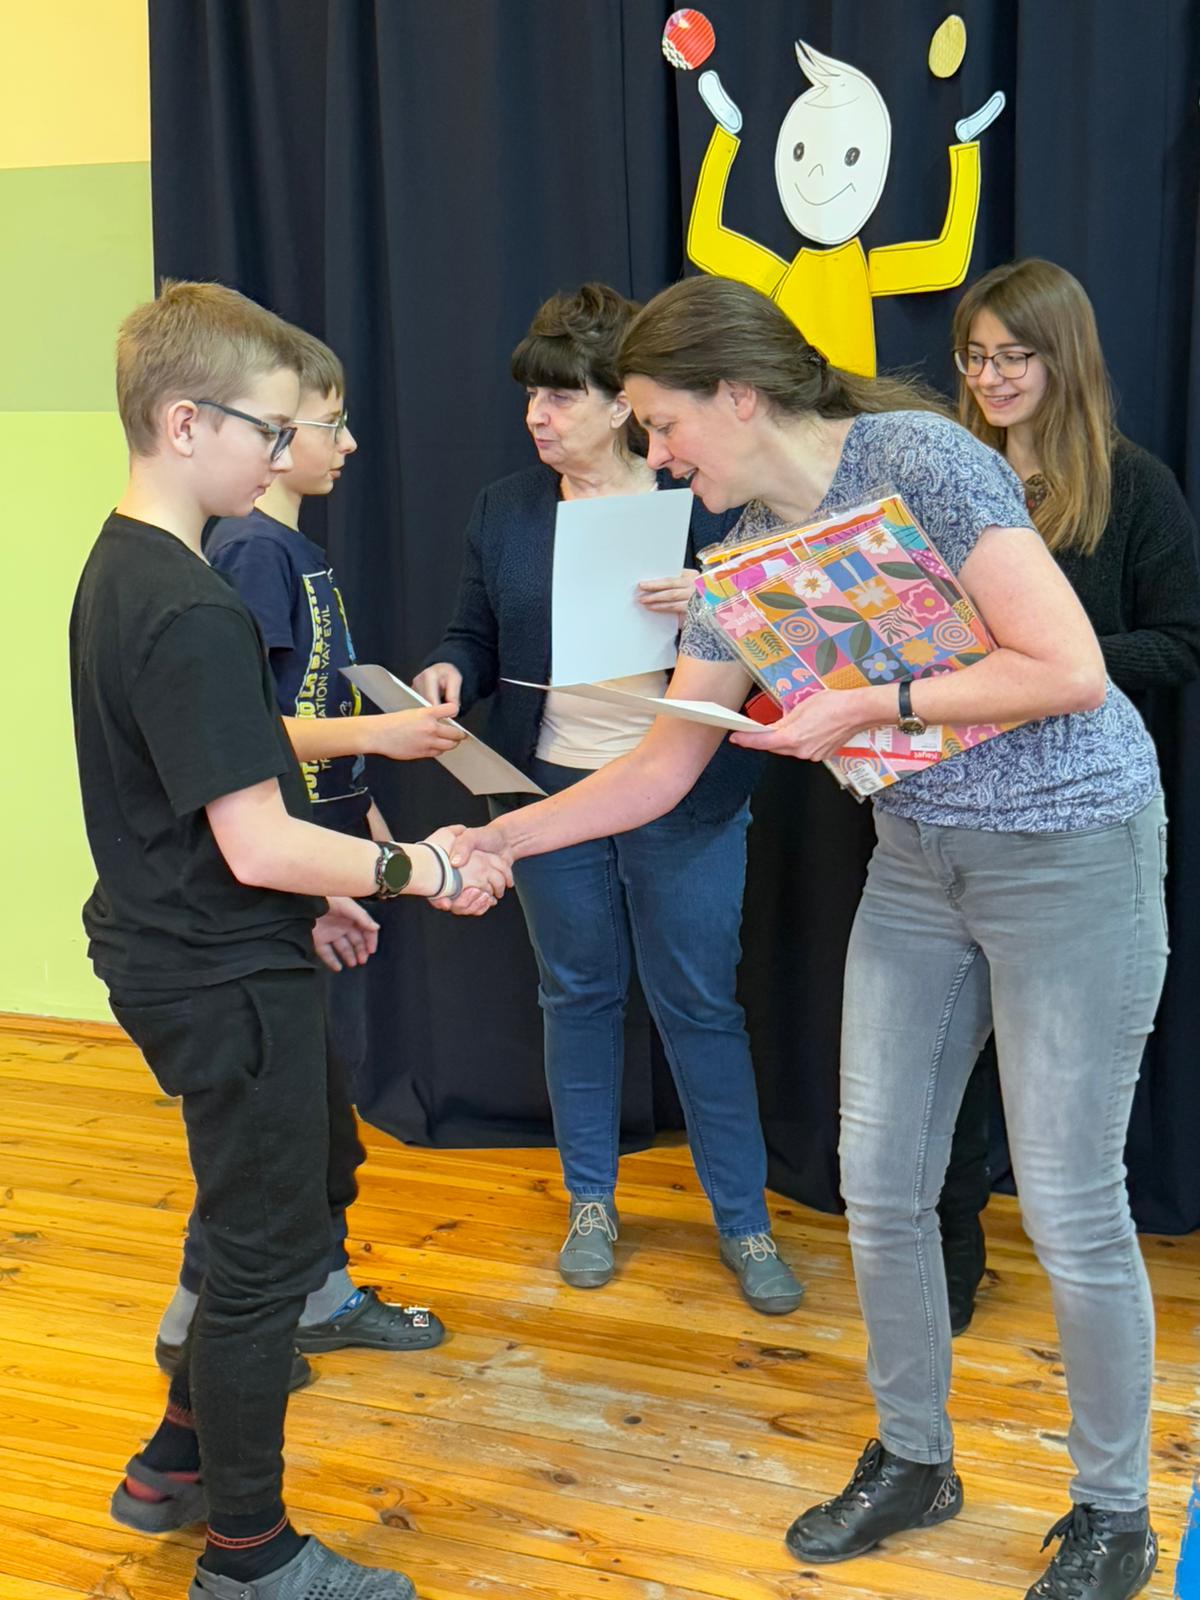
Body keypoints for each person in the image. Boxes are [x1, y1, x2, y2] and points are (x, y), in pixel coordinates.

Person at [447, 274, 1168, 1600]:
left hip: (1070, 845)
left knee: (1072, 1203)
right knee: (878, 1184)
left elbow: (1067, 668)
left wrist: (868, 703)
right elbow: (661, 765)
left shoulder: (921, 460)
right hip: (922, 859)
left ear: (738, 395)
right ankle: (914, 1458)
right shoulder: (739, 559)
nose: (659, 454)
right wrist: (503, 838)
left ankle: (1115, 1513)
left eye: (664, 422)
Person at [71, 280, 508, 1598]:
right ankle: (250, 1559)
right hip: (214, 974)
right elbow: (259, 841)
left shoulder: (128, 569)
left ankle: (173, 1464)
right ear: (184, 423)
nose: (282, 455)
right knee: (264, 1264)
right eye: (269, 430)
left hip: (208, 947)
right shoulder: (191, 602)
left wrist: (321, 897)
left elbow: (217, 792)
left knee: (282, 1200)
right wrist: (419, 866)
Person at [414, 282, 803, 1314]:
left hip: (687, 796)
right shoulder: (507, 507)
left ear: (622, 402)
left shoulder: (707, 500)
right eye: (529, 397)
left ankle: (744, 1219)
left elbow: (789, 645)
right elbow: (471, 634)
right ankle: (591, 1201)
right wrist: (450, 670)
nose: (536, 416)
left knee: (699, 1004)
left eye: (559, 396)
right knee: (576, 994)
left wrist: (716, 600)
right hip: (549, 788)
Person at [140, 326, 465, 1388]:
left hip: (308, 871)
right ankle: (204, 1327)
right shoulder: (246, 557)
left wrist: (366, 832)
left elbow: (302, 736)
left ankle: (315, 1296)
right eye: (326, 424)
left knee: (313, 1125)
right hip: (260, 892)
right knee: (270, 1139)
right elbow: (250, 736)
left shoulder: (294, 555)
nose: (346, 443)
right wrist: (383, 738)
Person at [938, 257, 1200, 1336]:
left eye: (1016, 356)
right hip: (948, 809)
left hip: (1078, 820)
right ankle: (951, 1262)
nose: (992, 377)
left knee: (1061, 1088)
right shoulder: (949, 479)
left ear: (1067, 357)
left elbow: (1180, 643)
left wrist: (1052, 663)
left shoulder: (1132, 485)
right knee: (944, 1078)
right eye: (975, 357)